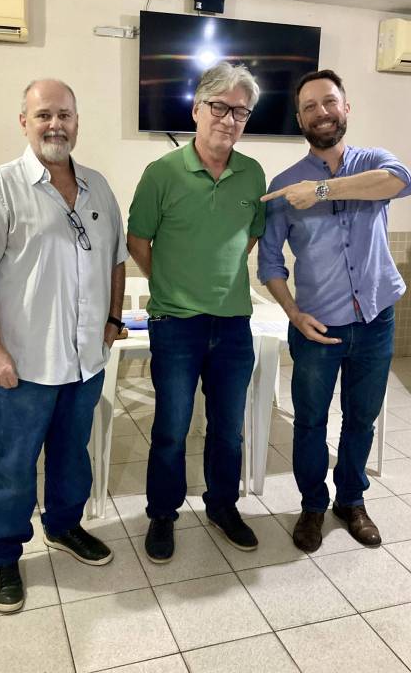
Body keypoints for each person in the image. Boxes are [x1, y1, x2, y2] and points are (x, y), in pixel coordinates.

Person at [0, 79, 128, 612]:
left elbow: (116, 259)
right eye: (44, 114)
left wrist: (113, 318)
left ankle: (64, 526)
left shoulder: (98, 187)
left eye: (65, 115)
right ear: (24, 122)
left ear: (77, 122)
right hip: (23, 365)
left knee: (72, 455)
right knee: (13, 464)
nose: (56, 125)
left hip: (85, 360)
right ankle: (4, 554)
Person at [258, 69, 411, 553]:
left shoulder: (375, 164)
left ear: (346, 107)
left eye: (329, 101)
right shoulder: (284, 186)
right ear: (299, 118)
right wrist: (293, 313)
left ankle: (351, 501)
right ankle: (312, 506)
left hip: (375, 320)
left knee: (361, 418)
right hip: (317, 326)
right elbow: (269, 262)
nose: (321, 112)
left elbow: (402, 181)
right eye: (309, 106)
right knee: (309, 423)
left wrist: (323, 190)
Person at [127, 62, 266, 563]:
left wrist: (218, 279)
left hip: (233, 323)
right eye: (219, 107)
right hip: (175, 324)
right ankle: (163, 514)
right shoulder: (161, 173)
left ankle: (223, 506)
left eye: (240, 112)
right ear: (196, 110)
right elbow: (138, 240)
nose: (229, 119)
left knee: (228, 428)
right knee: (171, 427)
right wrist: (172, 284)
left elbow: (250, 236)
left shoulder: (252, 174)